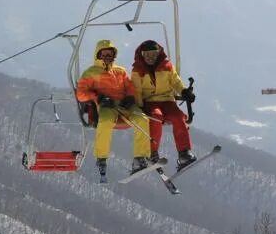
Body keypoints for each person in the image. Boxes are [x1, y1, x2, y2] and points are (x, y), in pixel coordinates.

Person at [75, 39, 152, 177]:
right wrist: (97, 97)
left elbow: (130, 87)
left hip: (124, 104)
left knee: (143, 119)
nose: (107, 56)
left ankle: (140, 158)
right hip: (107, 105)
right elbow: (81, 94)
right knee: (105, 122)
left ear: (113, 55)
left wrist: (130, 97)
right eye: (104, 54)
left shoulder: (120, 71)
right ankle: (101, 157)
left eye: (109, 54)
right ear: (98, 55)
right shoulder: (91, 73)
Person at [131, 40, 196, 169]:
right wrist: (139, 106)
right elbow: (136, 90)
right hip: (149, 101)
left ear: (158, 54)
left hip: (167, 100)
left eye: (154, 54)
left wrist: (184, 91)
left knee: (178, 117)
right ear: (142, 55)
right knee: (156, 117)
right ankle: (152, 152)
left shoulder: (166, 67)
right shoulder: (138, 70)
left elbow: (175, 82)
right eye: (147, 55)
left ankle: (184, 152)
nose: (151, 58)